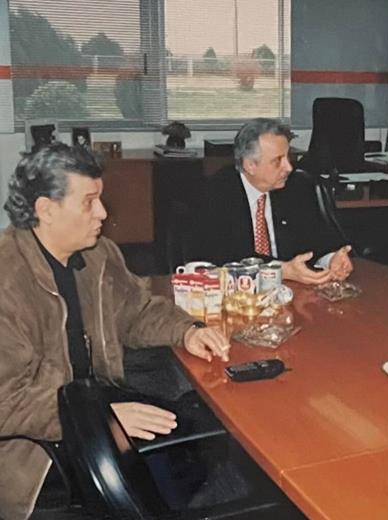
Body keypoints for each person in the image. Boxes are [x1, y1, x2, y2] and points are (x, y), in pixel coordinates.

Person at [0, 143, 231, 520]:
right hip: (35, 451)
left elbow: (136, 312)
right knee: (159, 480)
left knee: (205, 439)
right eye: (89, 202)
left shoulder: (97, 254)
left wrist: (187, 331)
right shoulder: (6, 279)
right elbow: (6, 401)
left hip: (96, 403)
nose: (103, 214)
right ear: (47, 209)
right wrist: (96, 419)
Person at [197, 118, 353, 285]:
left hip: (294, 290)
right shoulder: (216, 194)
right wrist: (281, 270)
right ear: (250, 165)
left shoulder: (297, 187)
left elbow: (317, 239)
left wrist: (331, 259)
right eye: (278, 160)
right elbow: (224, 258)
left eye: (287, 157)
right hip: (239, 291)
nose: (289, 167)